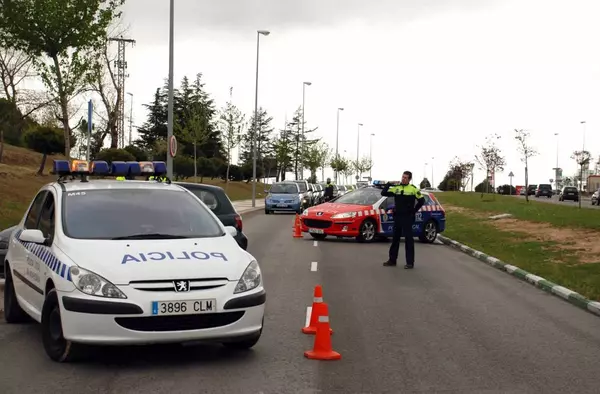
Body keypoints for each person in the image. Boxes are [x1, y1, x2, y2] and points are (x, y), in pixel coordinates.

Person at [381, 171, 425, 269]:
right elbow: (383, 193)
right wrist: (389, 184)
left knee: (408, 239)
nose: (403, 179)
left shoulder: (413, 189)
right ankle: (392, 260)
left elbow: (422, 201)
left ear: (409, 179)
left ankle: (410, 262)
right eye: (402, 177)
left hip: (407, 217)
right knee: (395, 239)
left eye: (405, 178)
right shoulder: (397, 188)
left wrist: (414, 211)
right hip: (398, 217)